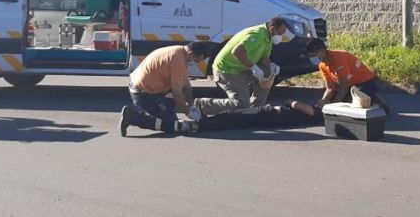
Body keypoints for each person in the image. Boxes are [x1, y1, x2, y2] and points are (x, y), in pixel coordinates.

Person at [191, 17, 293, 117]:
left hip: (242, 68)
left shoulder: (268, 37)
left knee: (268, 73)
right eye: (280, 33)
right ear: (272, 29)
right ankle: (202, 105)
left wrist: (272, 65)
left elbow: (265, 59)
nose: (281, 37)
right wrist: (254, 67)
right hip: (227, 70)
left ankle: (255, 110)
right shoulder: (257, 34)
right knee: (242, 104)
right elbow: (237, 51)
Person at [118, 41, 213, 137]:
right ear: (191, 54)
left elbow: (186, 87)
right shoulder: (178, 61)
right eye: (196, 61)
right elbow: (177, 93)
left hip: (149, 88)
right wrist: (187, 111)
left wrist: (192, 106)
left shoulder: (179, 52)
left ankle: (162, 113)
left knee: (170, 107)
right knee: (172, 125)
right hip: (143, 93)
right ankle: (132, 117)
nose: (195, 63)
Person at [122, 100, 322, 135]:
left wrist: (290, 102)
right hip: (258, 117)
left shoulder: (314, 114)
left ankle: (137, 119)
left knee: (199, 126)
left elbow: (303, 107)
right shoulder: (311, 117)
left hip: (260, 116)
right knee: (202, 125)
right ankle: (138, 119)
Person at [304, 39, 390, 114]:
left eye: (313, 55)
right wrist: (323, 101)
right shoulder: (322, 65)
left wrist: (332, 108)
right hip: (351, 86)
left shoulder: (338, 58)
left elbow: (343, 87)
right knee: (339, 102)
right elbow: (330, 88)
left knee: (357, 103)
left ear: (322, 51)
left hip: (366, 83)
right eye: (310, 57)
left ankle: (377, 103)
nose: (312, 58)